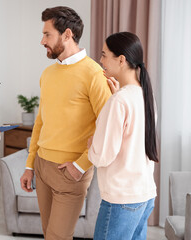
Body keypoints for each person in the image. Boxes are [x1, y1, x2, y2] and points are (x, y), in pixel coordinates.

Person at [19, 6, 111, 239]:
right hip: (42, 166)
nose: (42, 41)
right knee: (47, 234)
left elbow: (108, 127)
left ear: (67, 35)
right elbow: (41, 121)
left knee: (57, 237)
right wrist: (30, 165)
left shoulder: (95, 74)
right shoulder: (48, 74)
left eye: (47, 34)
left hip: (70, 171)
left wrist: (80, 165)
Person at [87, 32, 158, 240]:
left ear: (121, 59)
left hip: (122, 199)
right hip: (144, 194)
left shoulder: (120, 101)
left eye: (104, 54)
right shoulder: (145, 95)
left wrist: (91, 144)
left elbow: (102, 156)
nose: (100, 60)